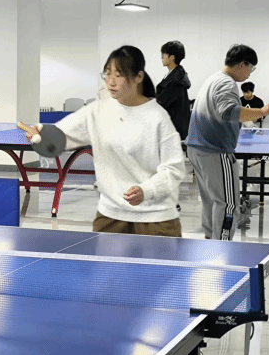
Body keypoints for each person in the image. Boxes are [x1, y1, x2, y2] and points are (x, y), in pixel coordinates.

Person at [19, 45, 185, 238]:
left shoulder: (158, 117)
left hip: (156, 219)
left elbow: (174, 169)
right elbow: (61, 136)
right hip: (111, 217)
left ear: (138, 77)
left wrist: (146, 190)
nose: (111, 82)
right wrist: (41, 135)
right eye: (107, 74)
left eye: (118, 75)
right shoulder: (97, 112)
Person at [185, 45, 269, 242]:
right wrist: (262, 111)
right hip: (215, 151)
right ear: (242, 64)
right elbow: (229, 112)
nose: (250, 73)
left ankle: (211, 241)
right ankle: (223, 246)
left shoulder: (213, 79)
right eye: (251, 67)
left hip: (196, 148)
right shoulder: (226, 83)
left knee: (211, 200)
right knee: (228, 204)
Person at [156, 40, 191, 140]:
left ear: (172, 57)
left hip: (172, 132)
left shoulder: (174, 81)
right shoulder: (176, 75)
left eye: (164, 54)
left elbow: (161, 104)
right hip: (174, 130)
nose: (162, 57)